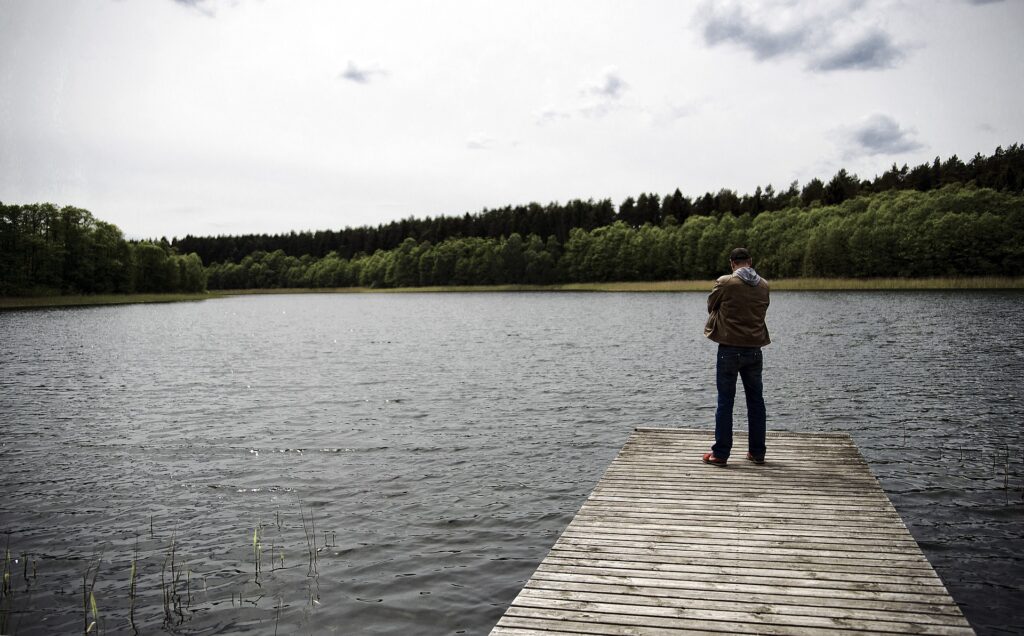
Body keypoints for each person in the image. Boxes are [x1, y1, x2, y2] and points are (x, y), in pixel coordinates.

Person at [702, 247, 770, 467]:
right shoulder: (764, 285)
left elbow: (711, 306)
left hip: (729, 349)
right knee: (756, 402)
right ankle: (757, 453)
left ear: (732, 264)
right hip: (754, 350)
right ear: (750, 261)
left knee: (725, 402)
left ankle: (721, 454)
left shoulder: (726, 282)